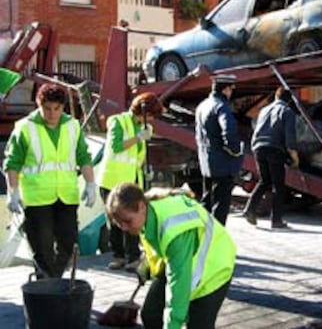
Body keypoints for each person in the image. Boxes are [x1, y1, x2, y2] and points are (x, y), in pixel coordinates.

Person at [106, 183, 236, 329]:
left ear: (141, 206)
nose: (124, 228)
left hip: (215, 267)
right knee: (151, 314)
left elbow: (178, 290)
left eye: (127, 221)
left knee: (198, 324)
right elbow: (158, 242)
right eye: (119, 223)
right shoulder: (149, 210)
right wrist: (147, 264)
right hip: (184, 259)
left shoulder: (175, 231)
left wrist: (173, 323)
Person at [3, 83, 96, 278]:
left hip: (66, 195)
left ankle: (51, 281)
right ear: (39, 104)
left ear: (63, 107)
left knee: (68, 242)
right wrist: (13, 192)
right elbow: (13, 163)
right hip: (37, 198)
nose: (52, 113)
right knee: (42, 247)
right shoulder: (25, 128)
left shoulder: (73, 126)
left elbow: (83, 157)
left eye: (57, 108)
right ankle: (47, 286)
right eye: (47, 108)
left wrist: (90, 183)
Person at [98, 91, 163, 272]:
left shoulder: (143, 127)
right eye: (150, 115)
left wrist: (145, 169)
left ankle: (132, 257)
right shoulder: (118, 122)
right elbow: (116, 146)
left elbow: (136, 156)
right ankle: (119, 256)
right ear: (144, 112)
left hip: (132, 181)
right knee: (116, 222)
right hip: (112, 180)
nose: (150, 119)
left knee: (133, 220)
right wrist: (138, 138)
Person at [243, 86, 299, 229]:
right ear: (289, 100)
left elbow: (256, 128)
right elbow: (290, 138)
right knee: (278, 186)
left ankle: (249, 210)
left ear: (276, 97)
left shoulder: (264, 110)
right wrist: (294, 157)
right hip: (274, 149)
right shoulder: (287, 112)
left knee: (264, 181)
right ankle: (276, 221)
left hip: (258, 148)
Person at [195, 74, 244, 225]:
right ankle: (216, 241)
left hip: (206, 162)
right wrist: (236, 150)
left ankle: (202, 237)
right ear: (226, 89)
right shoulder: (221, 107)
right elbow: (228, 132)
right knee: (220, 207)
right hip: (223, 164)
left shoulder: (202, 105)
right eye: (231, 89)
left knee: (206, 202)